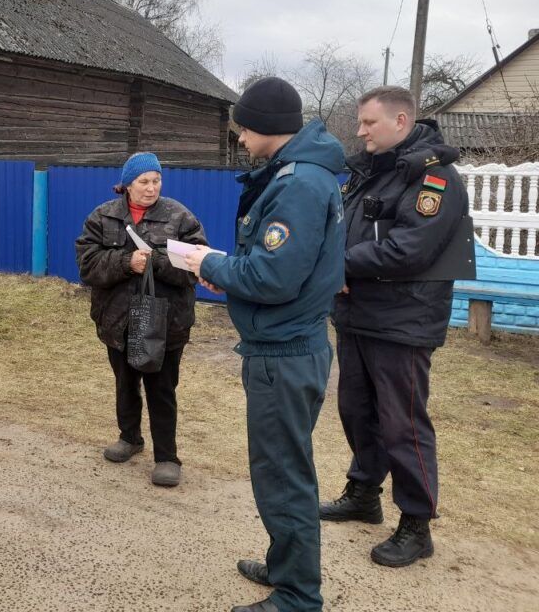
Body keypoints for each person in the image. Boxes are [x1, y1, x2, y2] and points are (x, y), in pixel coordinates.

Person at [185, 78, 345, 612]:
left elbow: (274, 278)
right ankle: (285, 567)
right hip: (289, 344)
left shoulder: (298, 184)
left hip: (285, 351)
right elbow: (276, 268)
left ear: (261, 126)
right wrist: (230, 273)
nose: (241, 141)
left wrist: (206, 262)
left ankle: (298, 596)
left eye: (243, 130)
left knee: (283, 475)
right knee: (281, 468)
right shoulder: (303, 175)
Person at [322, 86, 468, 567]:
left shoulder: (435, 179)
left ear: (400, 122)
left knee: (402, 423)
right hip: (358, 314)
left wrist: (340, 266)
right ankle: (364, 492)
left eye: (369, 122)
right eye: (361, 123)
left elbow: (412, 249)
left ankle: (416, 523)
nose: (360, 131)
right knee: (355, 410)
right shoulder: (374, 172)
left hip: (402, 319)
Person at [75, 152, 206, 488]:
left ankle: (167, 457)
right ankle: (129, 438)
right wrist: (125, 262)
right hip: (117, 319)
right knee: (125, 382)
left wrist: (154, 262)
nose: (151, 188)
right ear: (127, 185)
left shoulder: (179, 216)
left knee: (162, 389)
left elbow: (197, 266)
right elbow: (87, 265)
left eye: (156, 180)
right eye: (144, 182)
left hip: (167, 323)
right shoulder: (102, 217)